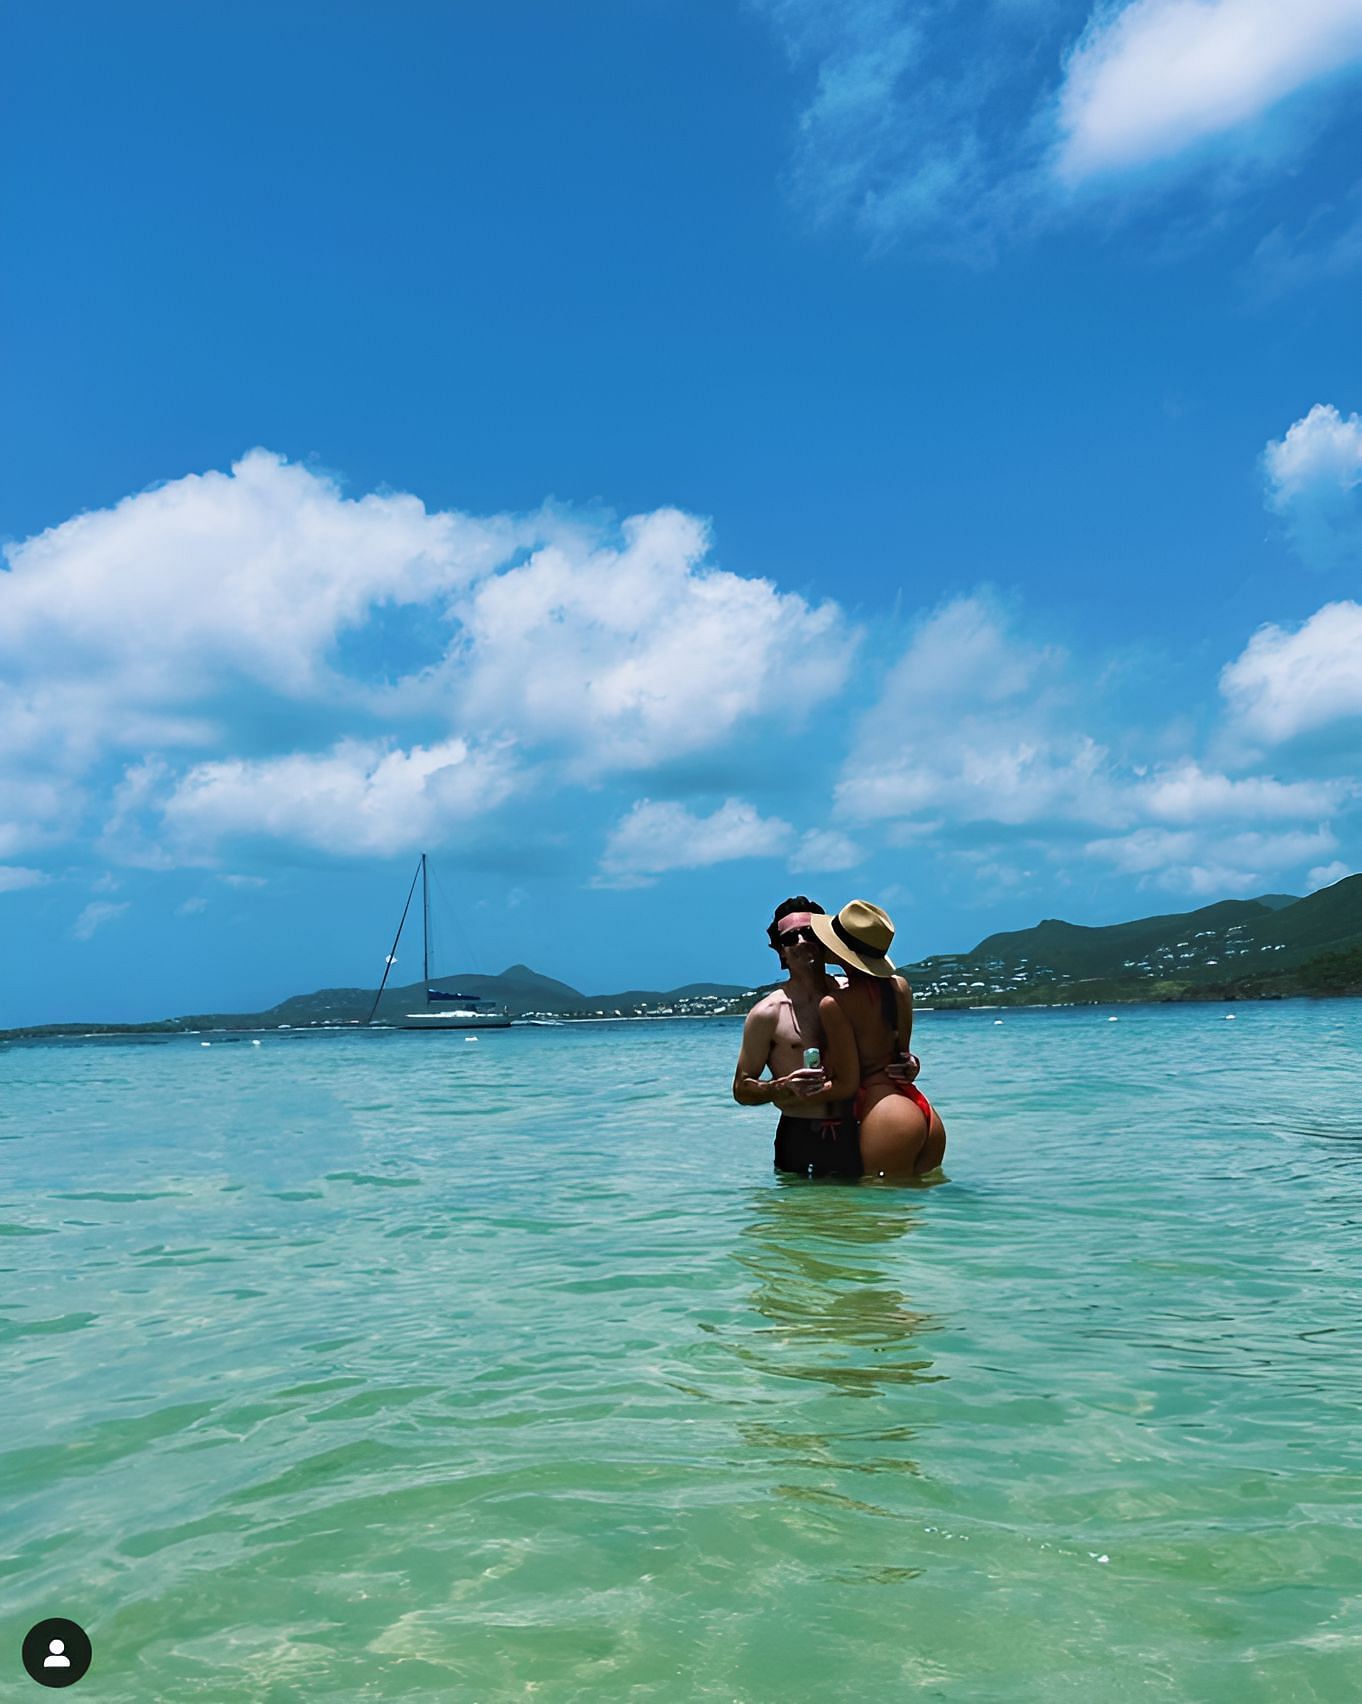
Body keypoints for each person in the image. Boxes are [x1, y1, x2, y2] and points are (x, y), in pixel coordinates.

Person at [807, 900, 947, 1179]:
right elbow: (902, 1057)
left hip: (884, 1113)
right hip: (920, 1108)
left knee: (878, 1214)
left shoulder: (834, 1004)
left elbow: (847, 1083)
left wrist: (796, 1091)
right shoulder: (900, 988)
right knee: (914, 1212)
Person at [732, 898, 862, 1178]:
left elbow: (883, 1049)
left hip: (859, 1128)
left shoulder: (853, 995)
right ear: (781, 952)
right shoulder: (767, 1014)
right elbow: (741, 1089)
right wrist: (783, 1086)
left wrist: (908, 1062)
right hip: (800, 1134)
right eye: (791, 937)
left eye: (811, 932)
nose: (802, 941)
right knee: (796, 1220)